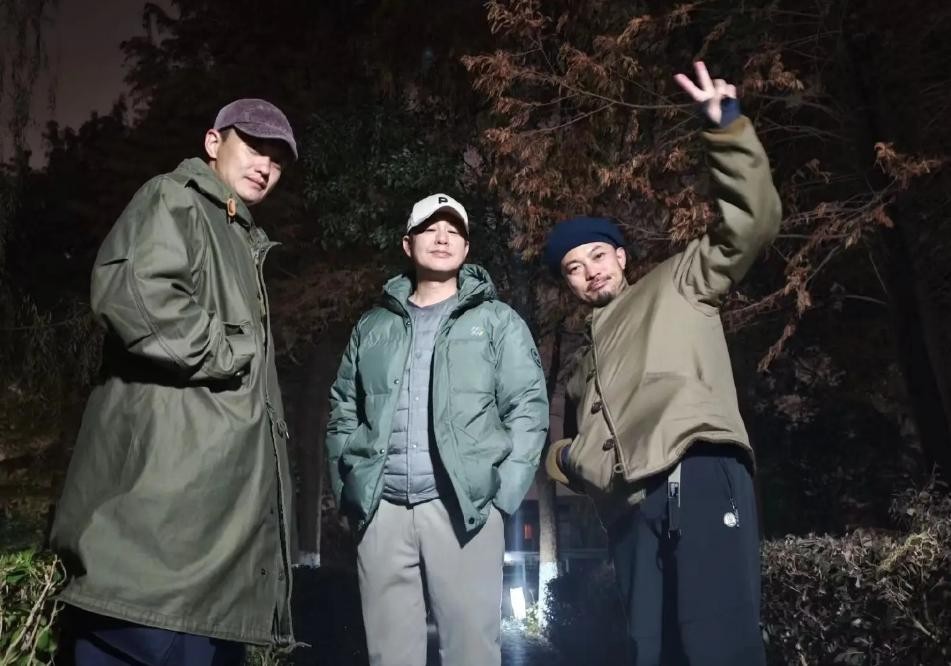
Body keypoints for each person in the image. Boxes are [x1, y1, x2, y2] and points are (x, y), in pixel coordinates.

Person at [543, 62, 781, 665]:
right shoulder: (581, 366)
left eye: (598, 255)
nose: (590, 271)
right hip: (629, 512)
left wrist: (726, 128)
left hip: (694, 470)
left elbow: (751, 224)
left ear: (621, 257)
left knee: (718, 646)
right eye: (574, 267)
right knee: (651, 653)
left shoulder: (676, 282)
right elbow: (586, 442)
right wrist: (568, 459)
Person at [50, 98, 299, 665]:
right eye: (254, 146)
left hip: (204, 549)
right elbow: (136, 295)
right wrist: (234, 349)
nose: (265, 165)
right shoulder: (175, 198)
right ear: (213, 142)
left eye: (278, 160)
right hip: (157, 541)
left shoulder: (239, 235)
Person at [326, 193, 549, 666]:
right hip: (382, 511)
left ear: (466, 248)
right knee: (389, 655)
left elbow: (528, 408)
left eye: (454, 231)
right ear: (408, 244)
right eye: (430, 229)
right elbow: (344, 408)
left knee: (471, 653)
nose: (443, 238)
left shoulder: (497, 322)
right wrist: (350, 490)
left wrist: (500, 498)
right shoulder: (373, 325)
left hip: (463, 510)